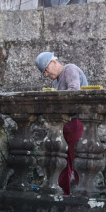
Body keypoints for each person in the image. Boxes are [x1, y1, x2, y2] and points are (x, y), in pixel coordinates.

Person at [35, 51, 88, 194]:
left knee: (75, 161)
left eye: (46, 69)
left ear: (54, 62)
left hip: (75, 122)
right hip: (65, 125)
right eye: (44, 72)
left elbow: (74, 92)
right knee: (64, 163)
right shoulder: (56, 81)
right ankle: (64, 195)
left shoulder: (69, 69)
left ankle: (79, 196)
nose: (46, 74)